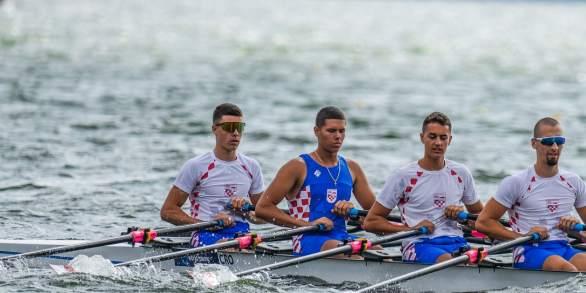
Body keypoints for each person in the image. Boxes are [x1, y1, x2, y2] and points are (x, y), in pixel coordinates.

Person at [473, 117, 586, 272]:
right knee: (567, 269)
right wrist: (522, 236)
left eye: (559, 141)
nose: (554, 146)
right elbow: (483, 222)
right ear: (534, 143)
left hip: (563, 247)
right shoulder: (516, 182)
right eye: (548, 141)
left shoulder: (573, 181)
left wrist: (579, 232)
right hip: (527, 249)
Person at [364, 112, 484, 264]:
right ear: (422, 138)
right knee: (455, 263)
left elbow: (481, 218)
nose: (438, 143)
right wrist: (411, 228)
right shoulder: (403, 176)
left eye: (443, 137)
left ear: (450, 140)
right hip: (418, 244)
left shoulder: (461, 173)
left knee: (479, 263)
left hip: (456, 243)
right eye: (432, 137)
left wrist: (464, 217)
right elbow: (371, 222)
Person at [256, 106, 376, 255]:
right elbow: (263, 208)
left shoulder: (352, 168)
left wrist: (355, 214)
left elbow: (375, 216)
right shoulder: (298, 166)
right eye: (331, 131)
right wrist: (308, 224)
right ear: (317, 132)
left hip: (342, 238)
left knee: (379, 253)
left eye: (342, 131)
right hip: (307, 239)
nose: (338, 136)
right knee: (351, 255)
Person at [160, 103, 265, 254]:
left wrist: (248, 212)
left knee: (250, 248)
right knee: (235, 248)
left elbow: (263, 217)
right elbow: (167, 211)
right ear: (215, 129)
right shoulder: (196, 166)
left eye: (240, 128)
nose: (235, 133)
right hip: (204, 233)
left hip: (242, 234)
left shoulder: (251, 166)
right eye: (229, 127)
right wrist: (206, 224)